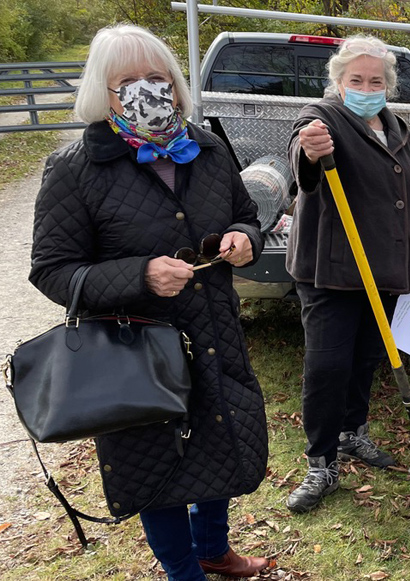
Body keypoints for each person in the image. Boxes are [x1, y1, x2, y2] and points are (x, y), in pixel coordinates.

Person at [28, 24, 270, 580]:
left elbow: (247, 216)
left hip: (214, 334)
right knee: (157, 470)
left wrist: (243, 240)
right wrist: (139, 275)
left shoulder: (206, 149)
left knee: (223, 444)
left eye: (157, 78)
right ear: (103, 92)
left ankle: (214, 549)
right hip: (136, 356)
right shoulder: (75, 170)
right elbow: (51, 270)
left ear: (176, 84)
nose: (146, 91)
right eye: (128, 81)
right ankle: (183, 572)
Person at [284, 34, 410, 513]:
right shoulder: (322, 119)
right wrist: (308, 151)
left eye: (375, 80)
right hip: (332, 270)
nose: (366, 86)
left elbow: (409, 200)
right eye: (356, 79)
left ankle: (352, 433)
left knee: (366, 356)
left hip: (381, 269)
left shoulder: (398, 128)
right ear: (339, 82)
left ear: (387, 85)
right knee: (327, 366)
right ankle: (321, 462)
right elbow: (302, 163)